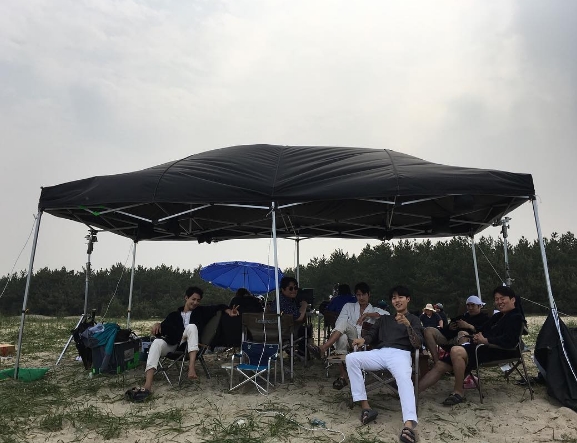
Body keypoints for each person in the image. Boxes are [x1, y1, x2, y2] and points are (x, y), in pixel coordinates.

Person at [127, 286, 239, 401]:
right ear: (186, 298)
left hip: (188, 346)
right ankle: (147, 386)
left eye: (198, 300)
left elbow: (220, 306)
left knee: (191, 327)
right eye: (193, 299)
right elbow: (162, 330)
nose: (195, 302)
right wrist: (157, 324)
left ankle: (191, 367)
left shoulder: (201, 312)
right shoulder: (173, 315)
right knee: (156, 343)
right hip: (173, 344)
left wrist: (229, 311)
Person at [419, 286, 524, 406]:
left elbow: (510, 341)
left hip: (499, 351)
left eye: (502, 298)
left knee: (456, 350)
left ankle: (458, 392)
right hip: (483, 348)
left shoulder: (516, 317)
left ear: (512, 299)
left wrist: (485, 340)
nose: (499, 302)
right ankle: (413, 392)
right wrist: (476, 336)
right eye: (496, 299)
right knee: (440, 365)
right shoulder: (498, 316)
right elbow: (482, 329)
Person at [345, 285, 422, 443]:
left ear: (408, 299)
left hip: (401, 353)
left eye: (400, 297)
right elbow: (372, 334)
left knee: (404, 378)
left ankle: (409, 424)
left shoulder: (414, 319)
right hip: (380, 352)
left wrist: (408, 325)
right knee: (351, 358)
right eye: (394, 298)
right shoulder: (385, 319)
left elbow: (418, 343)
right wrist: (363, 340)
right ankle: (366, 407)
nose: (397, 300)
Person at [308, 282, 386, 390]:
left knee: (342, 334)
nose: (361, 297)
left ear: (369, 295)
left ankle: (325, 351)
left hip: (364, 341)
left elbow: (388, 317)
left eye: (363, 294)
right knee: (342, 334)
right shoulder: (349, 306)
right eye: (358, 295)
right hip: (351, 338)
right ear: (355, 296)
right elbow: (339, 323)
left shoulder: (376, 310)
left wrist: (368, 315)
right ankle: (342, 373)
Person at [424, 295, 489, 364]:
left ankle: (462, 364)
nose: (470, 308)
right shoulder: (463, 316)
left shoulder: (485, 318)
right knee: (428, 330)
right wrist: (449, 327)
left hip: (469, 341)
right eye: (468, 305)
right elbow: (444, 330)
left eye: (473, 305)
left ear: (479, 306)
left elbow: (485, 332)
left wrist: (469, 326)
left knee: (463, 334)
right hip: (450, 338)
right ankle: (437, 362)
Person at [276, 276, 311, 357]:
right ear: (283, 289)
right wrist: (304, 306)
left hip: (274, 332)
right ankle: (304, 355)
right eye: (290, 288)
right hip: (285, 333)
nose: (294, 290)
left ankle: (300, 353)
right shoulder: (285, 302)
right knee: (306, 329)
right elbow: (298, 318)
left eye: (295, 288)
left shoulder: (279, 300)